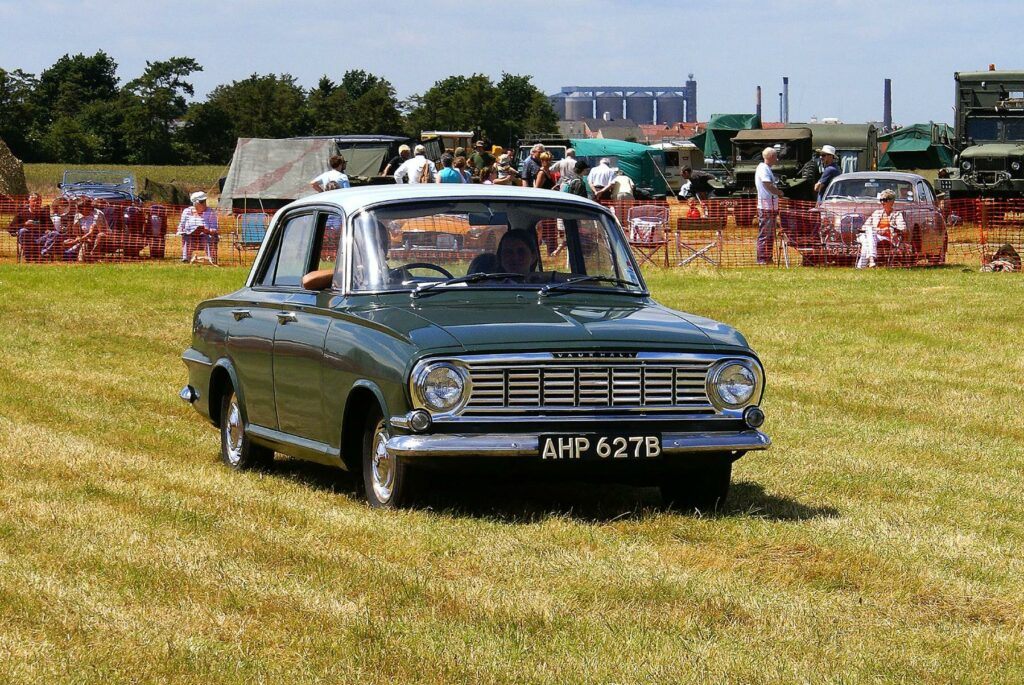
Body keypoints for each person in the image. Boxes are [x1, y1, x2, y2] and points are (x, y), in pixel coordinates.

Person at [857, 189, 906, 268]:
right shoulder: (877, 213)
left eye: (885, 200)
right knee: (870, 233)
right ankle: (871, 260)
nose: (882, 202)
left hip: (888, 238)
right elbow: (864, 227)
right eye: (881, 200)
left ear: (892, 201)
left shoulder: (897, 214)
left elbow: (903, 228)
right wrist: (877, 230)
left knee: (867, 239)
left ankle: (862, 266)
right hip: (873, 236)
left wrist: (889, 228)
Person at [755, 146, 784, 265]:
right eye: (776, 156)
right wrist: (779, 192)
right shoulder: (763, 169)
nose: (777, 159)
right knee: (766, 234)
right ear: (771, 157)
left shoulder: (766, 168)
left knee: (769, 234)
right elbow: (767, 184)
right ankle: (762, 259)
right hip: (766, 207)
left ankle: (767, 257)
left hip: (770, 206)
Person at [8, 193, 53, 262]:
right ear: (29, 202)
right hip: (27, 239)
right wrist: (24, 224)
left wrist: (48, 230)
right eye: (34, 201)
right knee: (23, 231)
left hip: (41, 237)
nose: (36, 203)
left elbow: (52, 227)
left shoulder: (44, 214)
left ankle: (42, 253)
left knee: (55, 233)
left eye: (38, 201)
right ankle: (30, 256)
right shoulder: (22, 214)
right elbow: (10, 228)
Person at [177, 191, 219, 263]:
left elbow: (215, 228)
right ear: (195, 203)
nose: (204, 203)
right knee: (186, 237)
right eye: (202, 202)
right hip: (191, 236)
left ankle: (211, 260)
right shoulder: (187, 211)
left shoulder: (211, 212)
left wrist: (208, 231)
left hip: (205, 236)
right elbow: (181, 226)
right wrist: (183, 231)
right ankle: (185, 259)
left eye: (205, 201)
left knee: (207, 237)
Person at [63, 197, 109, 262]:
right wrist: (75, 239)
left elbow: (93, 231)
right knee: (81, 260)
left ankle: (94, 255)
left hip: (101, 237)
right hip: (86, 239)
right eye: (79, 210)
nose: (80, 211)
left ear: (89, 208)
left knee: (101, 235)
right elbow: (78, 234)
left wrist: (75, 241)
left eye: (81, 209)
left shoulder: (97, 214)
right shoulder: (78, 216)